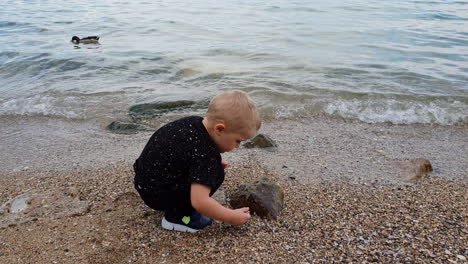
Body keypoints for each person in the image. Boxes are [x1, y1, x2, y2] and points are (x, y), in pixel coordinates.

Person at [133, 90, 261, 232]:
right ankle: (179, 217)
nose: (237, 147)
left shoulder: (193, 122)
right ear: (219, 129)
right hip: (157, 196)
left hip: (144, 182)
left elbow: (179, 154)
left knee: (211, 171)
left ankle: (171, 202)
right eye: (238, 141)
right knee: (216, 174)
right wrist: (231, 216)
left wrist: (204, 168)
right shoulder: (207, 153)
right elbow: (200, 202)